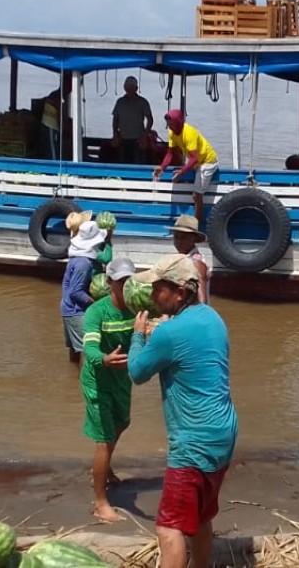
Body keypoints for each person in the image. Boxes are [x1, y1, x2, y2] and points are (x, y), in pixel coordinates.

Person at [113, 254, 236, 568]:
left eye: (159, 288)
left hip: (192, 443)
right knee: (201, 515)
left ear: (181, 292)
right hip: (222, 434)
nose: (153, 294)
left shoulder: (169, 333)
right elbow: (188, 348)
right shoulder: (212, 317)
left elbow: (137, 372)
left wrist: (138, 333)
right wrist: (159, 333)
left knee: (170, 526)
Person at [80, 257, 138, 523]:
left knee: (122, 423)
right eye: (121, 281)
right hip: (98, 380)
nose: (125, 286)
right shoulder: (97, 312)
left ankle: (104, 469)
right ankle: (100, 503)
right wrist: (103, 358)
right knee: (103, 440)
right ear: (109, 282)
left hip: (121, 379)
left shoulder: (137, 309)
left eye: (130, 281)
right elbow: (89, 347)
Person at [153, 110, 218, 227]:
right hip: (195, 161)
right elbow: (170, 154)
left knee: (196, 195)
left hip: (207, 161)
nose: (170, 127)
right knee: (185, 182)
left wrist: (182, 172)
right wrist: (162, 167)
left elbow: (194, 158)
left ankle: (196, 225)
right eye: (168, 124)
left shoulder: (189, 133)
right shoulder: (172, 133)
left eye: (172, 124)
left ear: (178, 122)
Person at [60, 212, 105, 364]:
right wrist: (95, 304)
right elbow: (75, 292)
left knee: (74, 348)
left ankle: (72, 379)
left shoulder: (76, 257)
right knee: (87, 350)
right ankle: (83, 384)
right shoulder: (84, 263)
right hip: (75, 310)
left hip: (67, 308)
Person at [110, 76, 154, 164]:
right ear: (124, 88)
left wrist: (144, 136)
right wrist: (115, 134)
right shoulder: (120, 102)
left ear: (136, 88)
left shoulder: (142, 102)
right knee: (122, 164)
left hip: (138, 141)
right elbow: (115, 119)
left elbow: (150, 120)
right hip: (123, 139)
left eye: (131, 87)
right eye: (127, 87)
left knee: (139, 164)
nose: (129, 89)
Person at [169, 214, 211, 304]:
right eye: (176, 237)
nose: (179, 242)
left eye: (184, 238)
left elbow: (202, 298)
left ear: (194, 238)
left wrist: (202, 313)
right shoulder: (181, 258)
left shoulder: (196, 262)